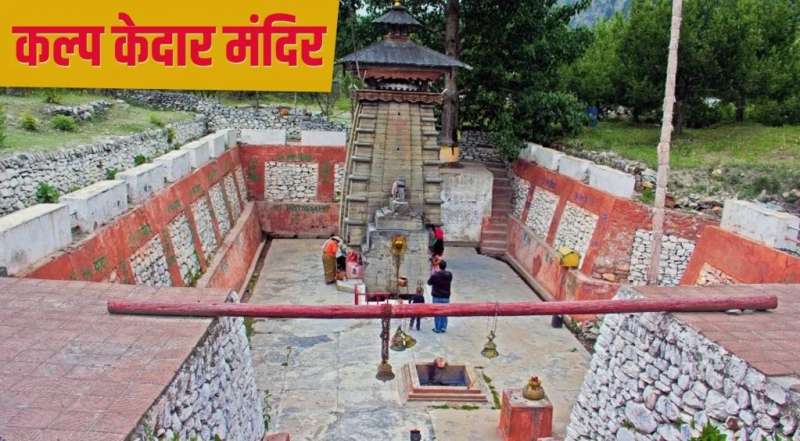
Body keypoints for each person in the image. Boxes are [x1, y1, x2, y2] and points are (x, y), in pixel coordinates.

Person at [427, 260, 452, 333]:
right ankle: (444, 327)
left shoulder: (435, 275)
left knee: (437, 312)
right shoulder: (449, 274)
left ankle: (437, 328)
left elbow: (429, 282)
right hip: (446, 296)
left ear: (439, 266)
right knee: (445, 312)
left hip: (437, 296)